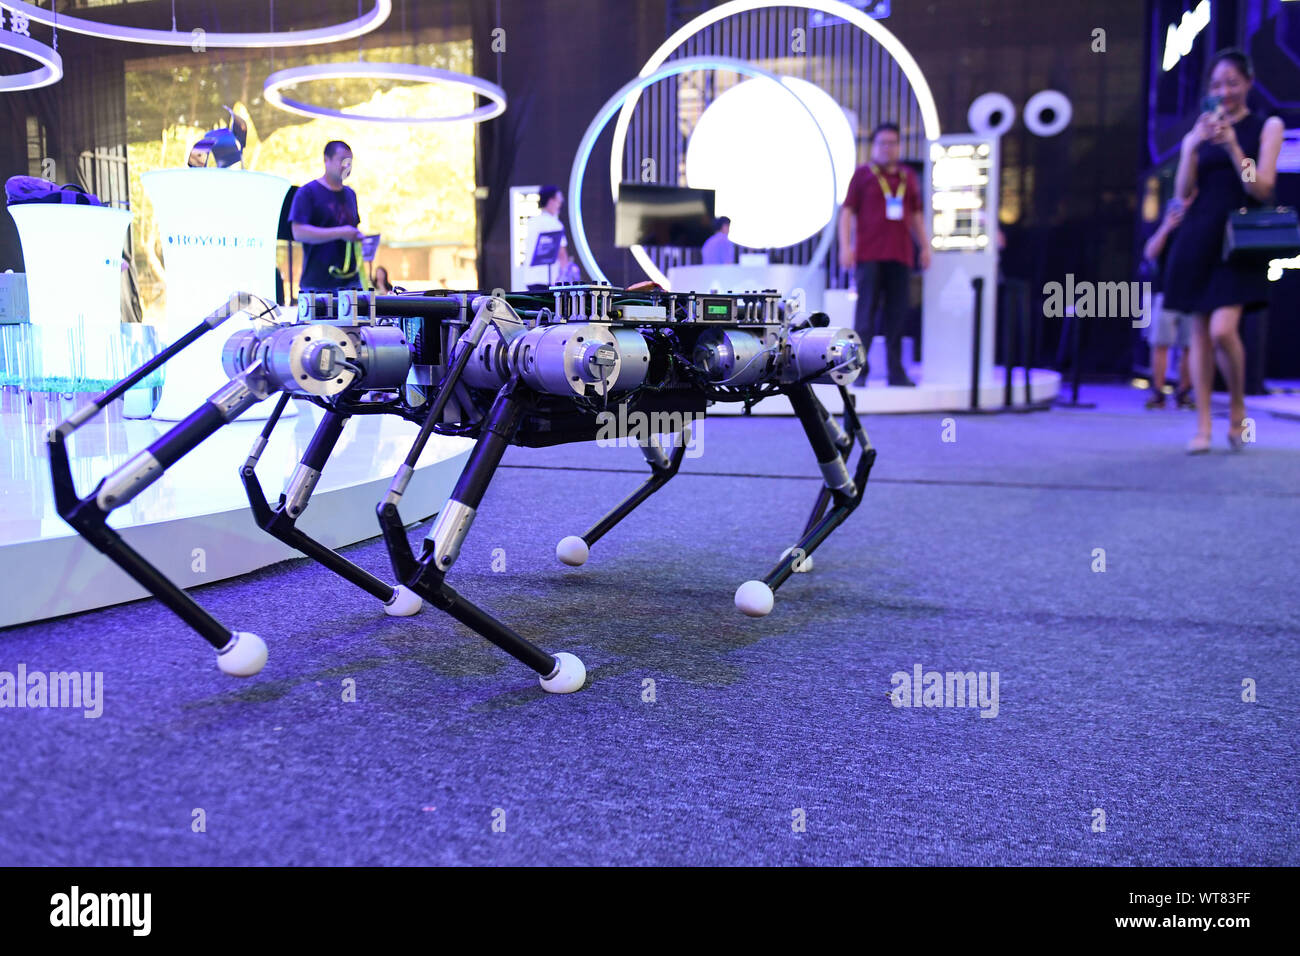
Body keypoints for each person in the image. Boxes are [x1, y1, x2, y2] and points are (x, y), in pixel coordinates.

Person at [1163, 49, 1283, 453]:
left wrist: (1233, 147)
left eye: (1232, 82)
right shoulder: (1200, 132)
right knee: (1198, 332)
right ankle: (1202, 427)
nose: (1224, 92)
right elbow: (1182, 194)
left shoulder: (1266, 126)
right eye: (1216, 85)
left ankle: (1237, 407)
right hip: (1199, 236)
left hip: (1240, 241)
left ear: (1248, 83)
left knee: (1222, 329)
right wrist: (1190, 148)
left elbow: (1261, 187)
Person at [838, 122, 931, 387]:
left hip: (900, 256)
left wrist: (924, 246)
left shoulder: (908, 177)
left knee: (897, 316)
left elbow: (915, 215)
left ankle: (896, 372)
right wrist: (846, 246)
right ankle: (859, 370)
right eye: (882, 143)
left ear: (899, 146)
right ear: (874, 146)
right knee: (865, 315)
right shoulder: (863, 175)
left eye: (892, 143)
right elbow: (847, 213)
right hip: (869, 255)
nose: (887, 148)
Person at [289, 141, 366, 293]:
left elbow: (351, 230)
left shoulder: (350, 194)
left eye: (349, 162)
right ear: (326, 160)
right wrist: (340, 232)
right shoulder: (307, 192)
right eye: (342, 160)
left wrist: (360, 238)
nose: (346, 166)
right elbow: (298, 232)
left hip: (351, 284)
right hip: (318, 285)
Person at [1142, 196, 1194, 409]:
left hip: (1193, 295)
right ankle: (1158, 392)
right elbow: (1149, 253)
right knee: (1160, 343)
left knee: (1190, 346)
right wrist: (1166, 226)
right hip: (1166, 293)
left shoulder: (1199, 228)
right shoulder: (1165, 230)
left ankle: (1184, 392)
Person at [523, 185, 570, 289]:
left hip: (530, 279)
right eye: (559, 201)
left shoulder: (531, 222)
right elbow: (562, 254)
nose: (560, 205)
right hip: (548, 281)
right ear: (551, 201)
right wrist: (565, 277)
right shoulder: (554, 224)